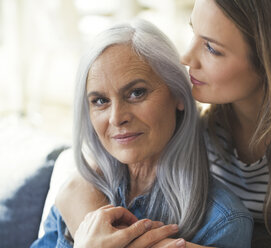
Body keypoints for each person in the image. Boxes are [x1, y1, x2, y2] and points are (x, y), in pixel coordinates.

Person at [56, 0, 271, 247]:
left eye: (212, 48)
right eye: (194, 33)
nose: (186, 57)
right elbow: (76, 185)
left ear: (270, 63)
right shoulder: (206, 123)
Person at [30, 19, 253, 248]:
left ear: (178, 95)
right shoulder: (81, 193)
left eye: (136, 93)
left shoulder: (222, 222)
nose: (117, 117)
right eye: (100, 101)